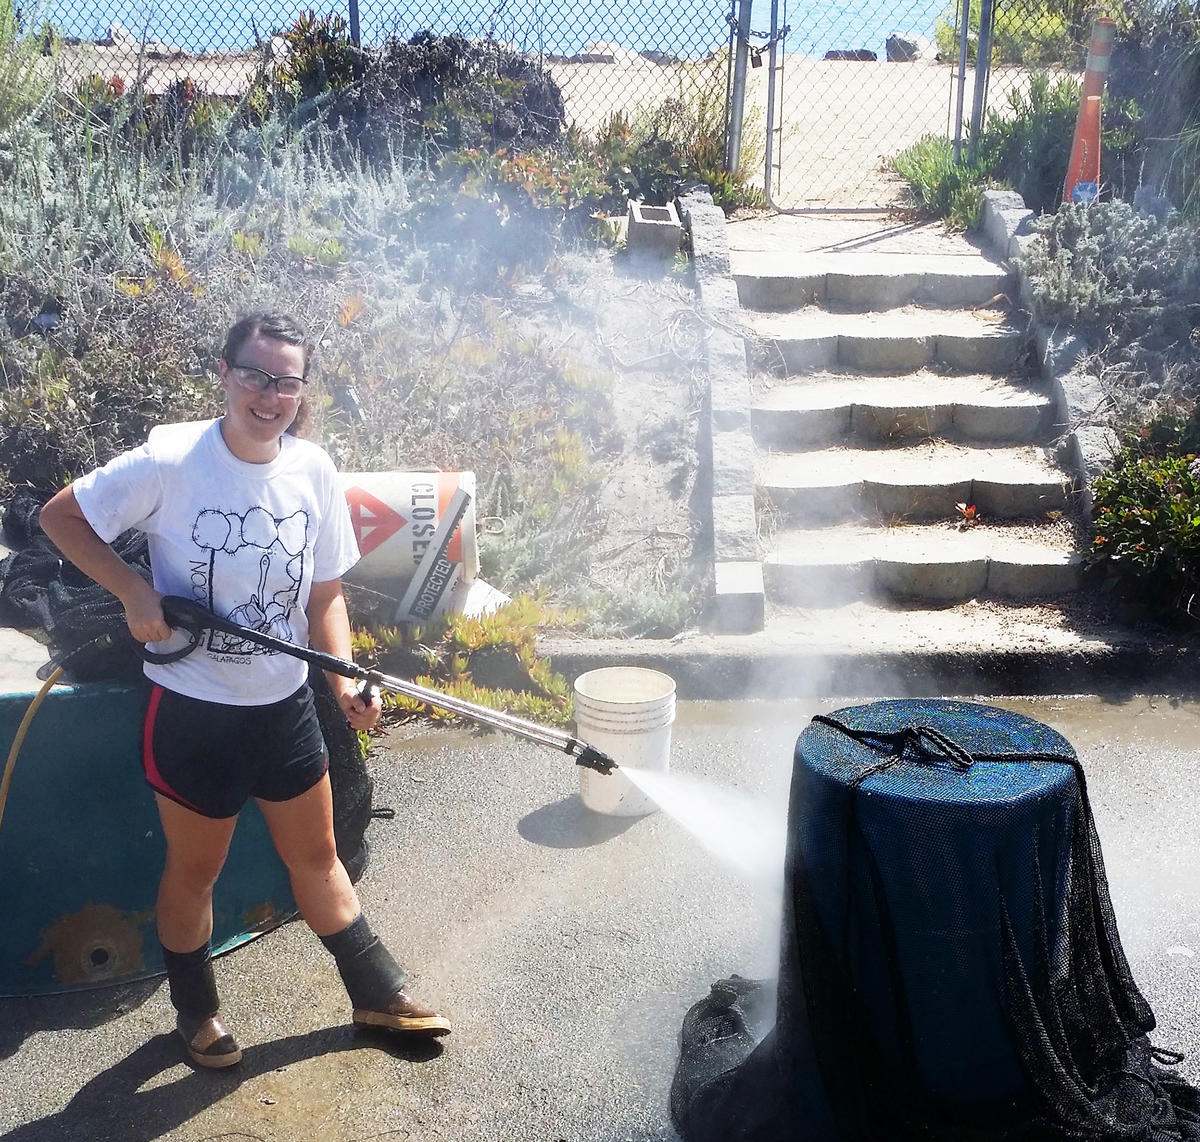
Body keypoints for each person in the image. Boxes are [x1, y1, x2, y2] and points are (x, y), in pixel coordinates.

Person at [39, 311, 450, 1068]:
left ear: (302, 391)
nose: (269, 395)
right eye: (255, 375)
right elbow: (61, 518)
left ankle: (375, 992)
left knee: (319, 859)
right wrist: (134, 593)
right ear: (225, 374)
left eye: (286, 382)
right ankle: (195, 1013)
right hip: (193, 712)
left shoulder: (314, 470)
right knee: (195, 872)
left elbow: (324, 594)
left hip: (285, 706)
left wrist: (343, 674)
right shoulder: (171, 459)